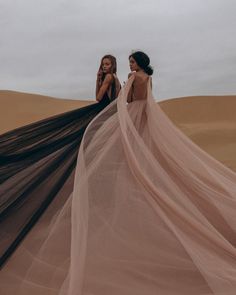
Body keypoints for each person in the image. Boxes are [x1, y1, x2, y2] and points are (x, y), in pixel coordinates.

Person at [1, 51, 236, 295]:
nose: (130, 65)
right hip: (148, 115)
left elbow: (122, 101)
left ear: (138, 63)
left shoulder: (134, 77)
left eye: (132, 62)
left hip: (133, 114)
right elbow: (148, 99)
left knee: (120, 152)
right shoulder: (149, 77)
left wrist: (121, 90)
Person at [0, 54, 121, 267]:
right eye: (103, 64)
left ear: (112, 65)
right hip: (108, 116)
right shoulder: (116, 78)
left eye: (107, 64)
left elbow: (98, 98)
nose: (104, 66)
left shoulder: (110, 78)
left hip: (100, 114)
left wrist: (99, 79)